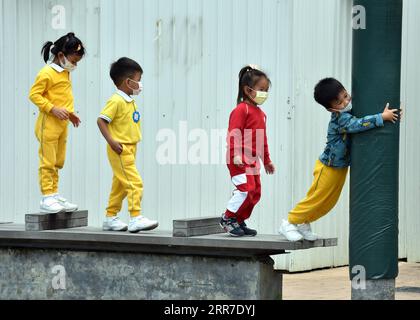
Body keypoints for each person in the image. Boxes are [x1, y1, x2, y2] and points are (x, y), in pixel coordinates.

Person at [279, 78, 400, 241]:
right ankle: (289, 222)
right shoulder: (341, 118)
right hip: (327, 167)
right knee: (317, 197)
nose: (345, 101)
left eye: (345, 96)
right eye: (339, 102)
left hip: (340, 167)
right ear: (331, 109)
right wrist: (381, 117)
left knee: (329, 202)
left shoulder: (347, 111)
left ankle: (303, 222)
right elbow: (358, 124)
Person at [97, 57, 158, 233]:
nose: (140, 84)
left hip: (130, 148)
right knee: (134, 183)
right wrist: (112, 141)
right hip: (120, 148)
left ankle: (110, 217)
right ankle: (135, 217)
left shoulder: (128, 100)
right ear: (128, 82)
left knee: (120, 185)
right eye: (138, 81)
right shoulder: (116, 100)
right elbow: (101, 120)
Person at [29, 32, 85, 213]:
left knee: (58, 161)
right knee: (48, 161)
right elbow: (34, 95)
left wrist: (70, 114)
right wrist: (52, 109)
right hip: (49, 125)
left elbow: (61, 97)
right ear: (61, 55)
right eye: (74, 61)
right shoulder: (47, 73)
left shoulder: (65, 72)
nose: (74, 65)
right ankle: (47, 197)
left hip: (62, 124)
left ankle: (54, 194)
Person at [220, 65, 276, 237]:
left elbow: (262, 140)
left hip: (252, 160)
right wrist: (236, 153)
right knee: (245, 189)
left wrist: (266, 160)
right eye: (261, 89)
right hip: (238, 158)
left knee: (255, 192)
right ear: (248, 90)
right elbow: (234, 133)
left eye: (266, 90)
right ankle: (228, 218)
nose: (264, 94)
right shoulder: (241, 110)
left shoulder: (261, 114)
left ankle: (238, 219)